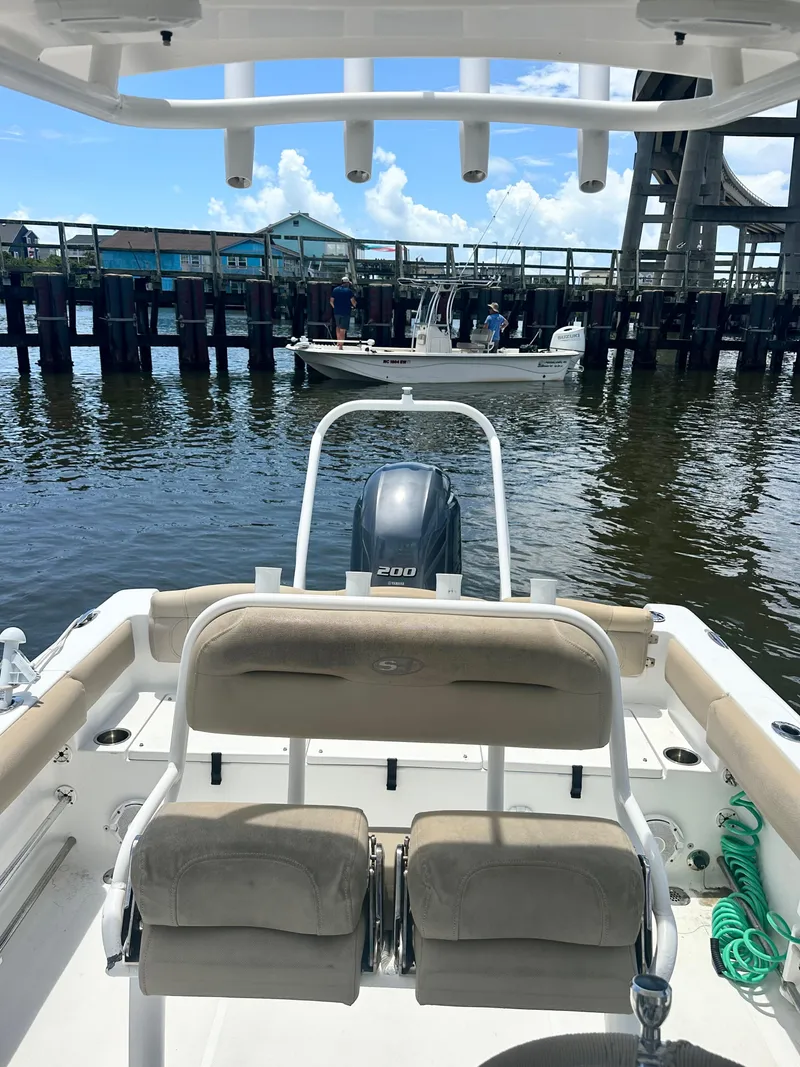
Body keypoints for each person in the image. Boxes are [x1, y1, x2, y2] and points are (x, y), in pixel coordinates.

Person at [330, 276, 357, 348]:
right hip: (345, 312)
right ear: (347, 283)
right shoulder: (349, 291)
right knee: (343, 329)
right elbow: (353, 302)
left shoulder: (335, 290)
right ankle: (341, 346)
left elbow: (331, 301)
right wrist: (354, 306)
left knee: (338, 327)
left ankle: (338, 342)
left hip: (336, 312)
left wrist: (335, 307)